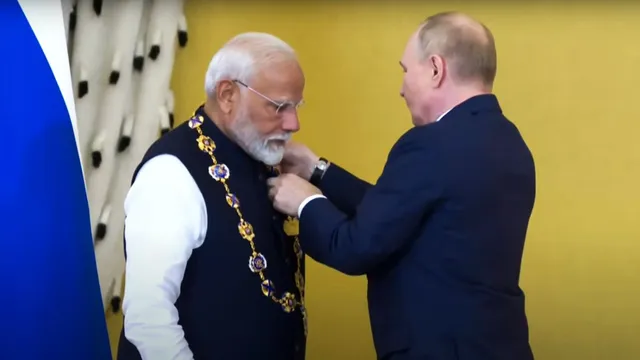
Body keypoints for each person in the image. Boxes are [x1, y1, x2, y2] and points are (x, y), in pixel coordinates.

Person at [268, 11, 536, 360]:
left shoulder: (431, 144)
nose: (401, 87)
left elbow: (355, 247)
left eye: (406, 70)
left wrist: (306, 203)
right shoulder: (510, 142)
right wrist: (318, 170)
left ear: (436, 69)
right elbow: (399, 211)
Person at [117, 32, 307, 360]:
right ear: (227, 94)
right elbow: (148, 317)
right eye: (279, 107)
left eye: (296, 106)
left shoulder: (259, 158)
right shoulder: (170, 173)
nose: (294, 123)